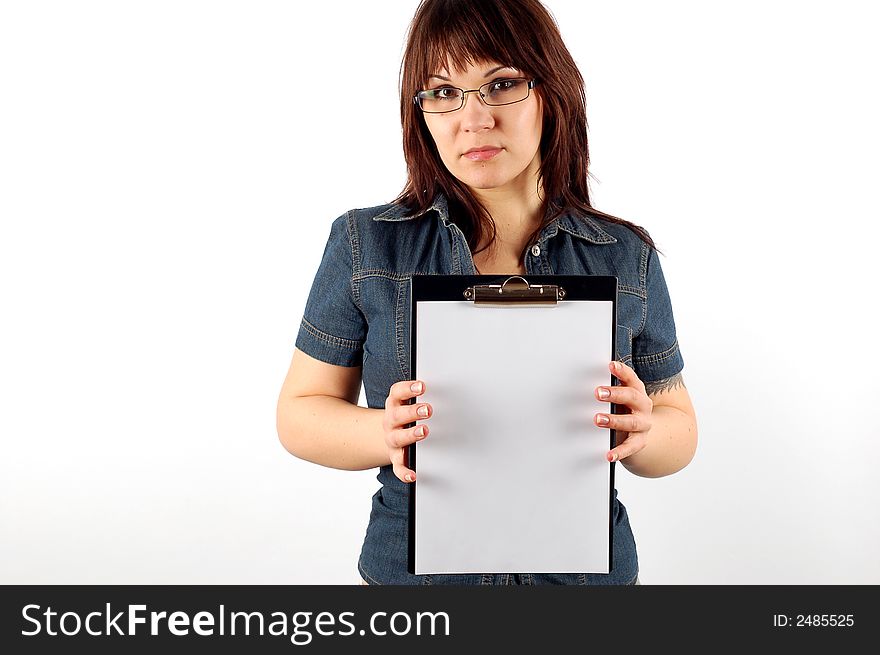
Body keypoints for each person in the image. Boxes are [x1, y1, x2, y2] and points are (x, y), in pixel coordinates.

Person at [276, 0, 698, 586]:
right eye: (444, 92)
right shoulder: (367, 245)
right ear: (419, 111)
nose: (471, 120)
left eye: (499, 84)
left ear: (552, 90)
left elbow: (679, 429)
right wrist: (381, 431)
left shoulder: (624, 255)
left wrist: (643, 430)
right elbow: (299, 414)